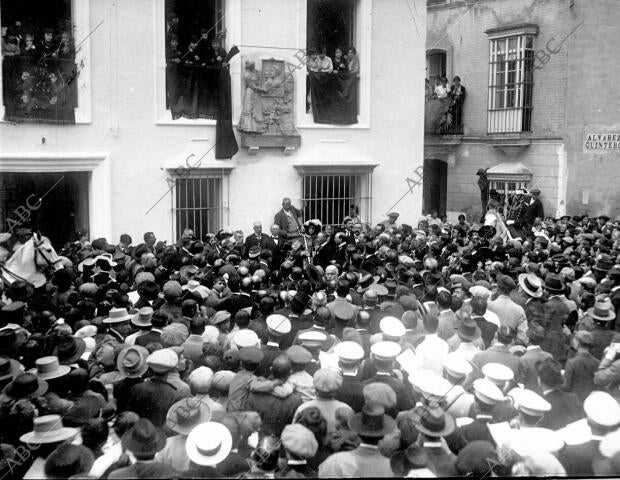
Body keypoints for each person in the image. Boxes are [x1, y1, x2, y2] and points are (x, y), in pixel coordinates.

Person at [238, 60, 267, 133]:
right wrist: (262, 89)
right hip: (250, 93)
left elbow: (260, 75)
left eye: (254, 65)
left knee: (256, 109)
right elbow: (252, 86)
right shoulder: (246, 75)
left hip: (256, 93)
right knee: (250, 109)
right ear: (249, 66)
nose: (254, 67)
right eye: (252, 65)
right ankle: (249, 128)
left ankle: (257, 127)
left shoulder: (255, 72)